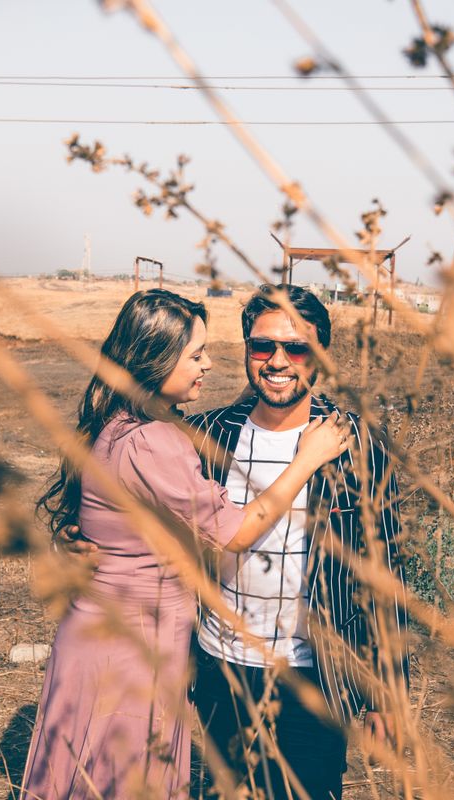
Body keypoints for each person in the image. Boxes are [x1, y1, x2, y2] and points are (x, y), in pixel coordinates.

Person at [59, 284, 409, 800]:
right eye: (262, 346)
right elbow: (121, 495)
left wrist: (387, 691)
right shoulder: (201, 435)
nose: (278, 361)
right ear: (247, 348)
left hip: (314, 674)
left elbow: (384, 570)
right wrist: (73, 538)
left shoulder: (353, 444)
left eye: (297, 348)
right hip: (219, 666)